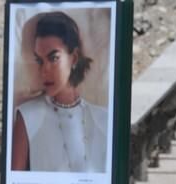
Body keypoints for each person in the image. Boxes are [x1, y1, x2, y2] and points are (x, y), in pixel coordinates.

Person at [11, 11, 108, 173]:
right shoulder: (28, 116)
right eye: (39, 60)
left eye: (53, 58)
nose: (45, 70)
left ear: (74, 58)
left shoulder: (103, 118)